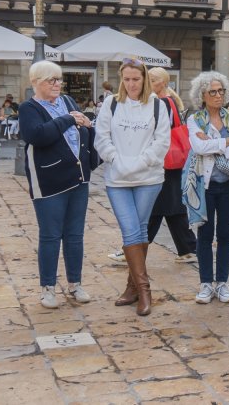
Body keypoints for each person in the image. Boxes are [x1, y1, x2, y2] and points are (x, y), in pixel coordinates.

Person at [95, 59, 171, 316]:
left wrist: (139, 162)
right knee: (130, 231)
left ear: (145, 79)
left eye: (135, 79)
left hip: (149, 178)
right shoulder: (111, 104)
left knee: (139, 230)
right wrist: (117, 160)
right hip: (117, 179)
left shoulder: (158, 105)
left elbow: (162, 142)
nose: (131, 84)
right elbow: (101, 138)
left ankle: (132, 288)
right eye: (126, 79)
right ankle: (145, 289)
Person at [19, 61, 97, 309]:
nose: (57, 84)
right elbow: (37, 135)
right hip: (49, 181)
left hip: (78, 178)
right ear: (36, 82)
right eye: (50, 80)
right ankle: (48, 288)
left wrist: (86, 125)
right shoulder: (28, 108)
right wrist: (67, 120)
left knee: (75, 235)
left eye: (59, 79)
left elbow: (82, 129)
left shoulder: (69, 102)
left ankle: (75, 284)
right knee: (51, 235)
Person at [185, 71, 229, 304]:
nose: (219, 95)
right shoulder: (195, 119)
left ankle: (222, 283)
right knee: (205, 234)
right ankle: (205, 284)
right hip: (205, 184)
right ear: (202, 94)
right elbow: (198, 147)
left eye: (221, 90)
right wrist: (224, 142)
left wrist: (217, 146)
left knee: (225, 234)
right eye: (213, 91)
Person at [144, 67, 196, 262]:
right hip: (171, 160)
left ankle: (135, 248)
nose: (148, 83)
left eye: (152, 79)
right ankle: (189, 248)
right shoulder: (170, 100)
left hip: (164, 160)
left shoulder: (162, 102)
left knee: (157, 207)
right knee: (172, 206)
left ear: (163, 82)